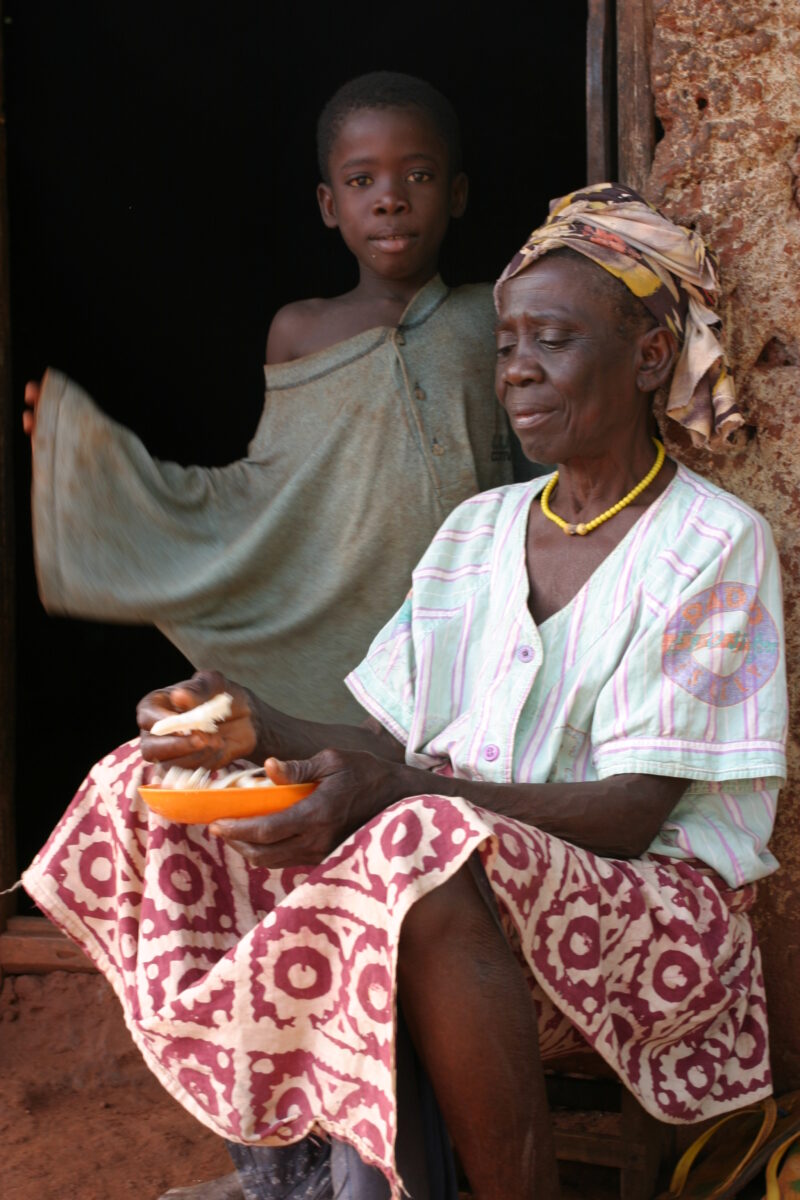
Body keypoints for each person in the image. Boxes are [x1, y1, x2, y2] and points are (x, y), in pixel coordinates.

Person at [23, 184, 788, 1200]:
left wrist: (406, 800)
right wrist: (249, 721)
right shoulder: (476, 531)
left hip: (648, 915)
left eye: (551, 340)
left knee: (414, 847)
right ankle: (287, 1165)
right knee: (142, 784)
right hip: (450, 880)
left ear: (649, 356)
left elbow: (630, 812)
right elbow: (382, 740)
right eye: (507, 340)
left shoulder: (709, 544)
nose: (515, 365)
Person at [22, 71, 513, 725]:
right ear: (328, 203)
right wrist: (92, 464)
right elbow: (268, 492)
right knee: (342, 778)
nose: (390, 200)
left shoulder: (498, 315)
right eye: (362, 181)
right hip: (353, 618)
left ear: (456, 193)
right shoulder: (300, 329)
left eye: (418, 176)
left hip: (484, 618)